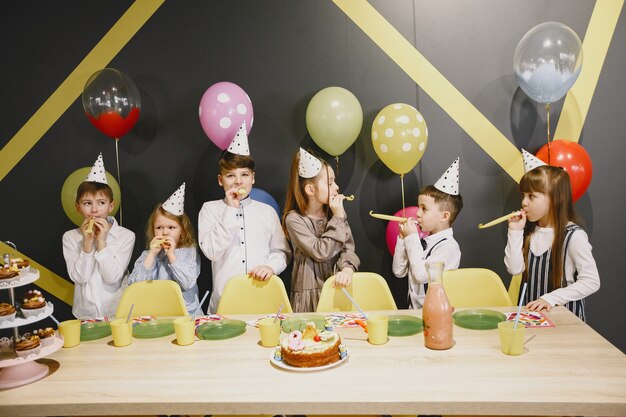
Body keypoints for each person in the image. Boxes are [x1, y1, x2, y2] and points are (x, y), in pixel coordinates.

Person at [198, 122, 290, 313]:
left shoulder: (266, 212)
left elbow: (282, 252)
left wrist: (270, 267)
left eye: (245, 174)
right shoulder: (210, 210)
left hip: (263, 299)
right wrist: (231, 210)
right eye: (230, 175)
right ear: (220, 180)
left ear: (253, 178)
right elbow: (212, 252)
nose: (238, 181)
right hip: (225, 302)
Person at [504, 150, 600, 320]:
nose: (523, 202)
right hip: (533, 320)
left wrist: (550, 298)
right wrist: (515, 231)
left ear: (555, 198)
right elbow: (514, 269)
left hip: (566, 322)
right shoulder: (529, 232)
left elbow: (591, 281)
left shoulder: (573, 236)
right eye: (523, 195)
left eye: (532, 196)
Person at [282, 148, 360, 312]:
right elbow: (320, 251)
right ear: (310, 190)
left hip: (336, 289)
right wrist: (338, 218)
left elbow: (348, 247)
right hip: (307, 297)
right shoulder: (294, 220)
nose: (337, 187)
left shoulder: (335, 214)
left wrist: (347, 268)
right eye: (330, 183)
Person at [62, 153, 135, 319]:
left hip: (117, 312)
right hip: (85, 314)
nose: (94, 210)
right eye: (87, 203)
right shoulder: (70, 238)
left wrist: (101, 242)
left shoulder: (126, 236)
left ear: (111, 206)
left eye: (101, 203)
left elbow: (112, 278)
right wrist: (87, 244)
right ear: (78, 207)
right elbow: (80, 277)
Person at [392, 158, 463, 309]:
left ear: (444, 216)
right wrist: (402, 238)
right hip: (415, 313)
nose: (417, 213)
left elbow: (420, 275)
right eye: (419, 207)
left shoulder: (449, 247)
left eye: (424, 209)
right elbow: (399, 271)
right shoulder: (423, 241)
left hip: (436, 315)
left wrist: (412, 238)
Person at [128, 183, 202, 315]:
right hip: (157, 314)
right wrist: (151, 255)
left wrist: (171, 255)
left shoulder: (189, 252)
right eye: (159, 228)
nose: (165, 233)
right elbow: (134, 286)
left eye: (171, 228)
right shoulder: (147, 255)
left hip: (187, 314)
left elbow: (187, 283)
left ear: (183, 231)